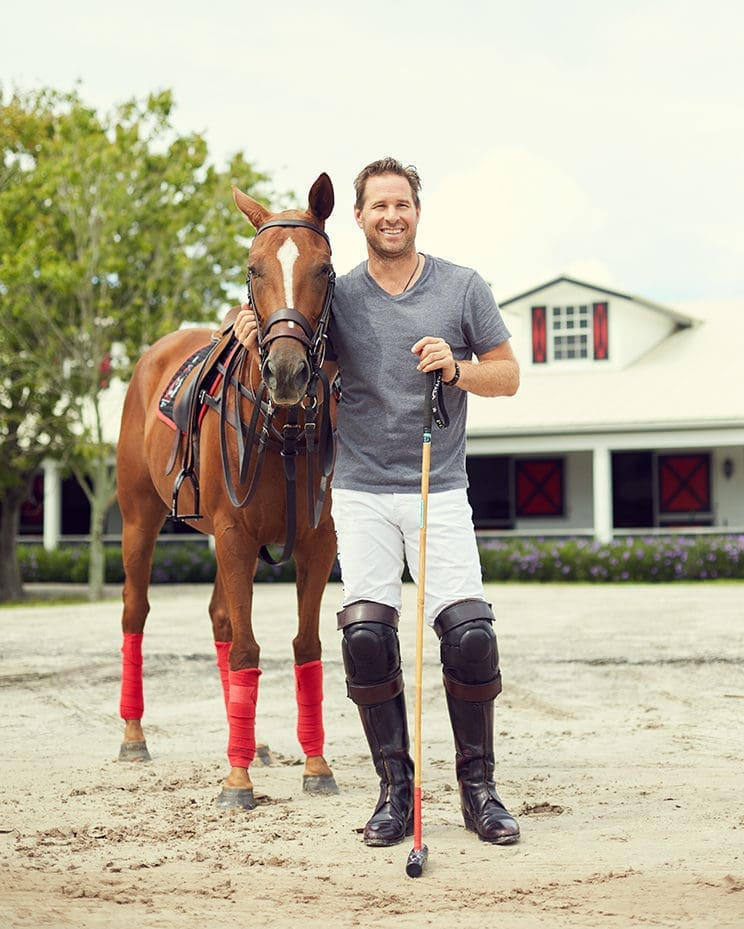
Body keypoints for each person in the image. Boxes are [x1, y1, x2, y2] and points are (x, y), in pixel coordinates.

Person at [234, 157, 520, 848]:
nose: (391, 215)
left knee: (470, 632)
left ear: (416, 211)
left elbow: (508, 375)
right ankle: (395, 790)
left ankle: (479, 790)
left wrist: (457, 367)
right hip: (360, 489)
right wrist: (251, 337)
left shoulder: (462, 287)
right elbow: (290, 345)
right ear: (357, 217)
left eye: (402, 204)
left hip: (437, 485)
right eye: (378, 206)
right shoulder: (342, 295)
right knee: (365, 635)